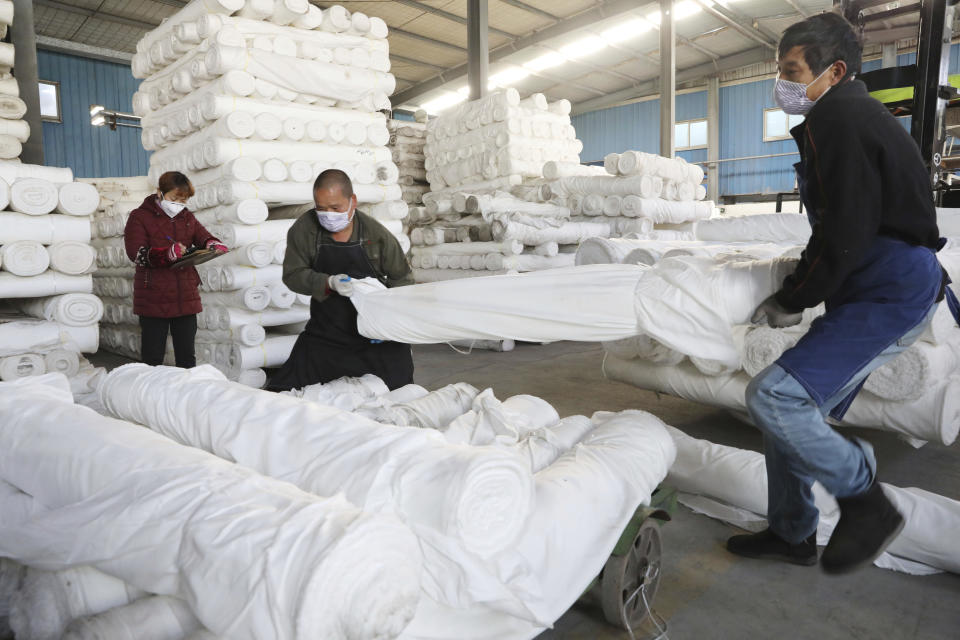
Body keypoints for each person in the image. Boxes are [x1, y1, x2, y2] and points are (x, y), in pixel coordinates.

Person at [726, 13, 959, 573]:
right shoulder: (841, 116)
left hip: (890, 290)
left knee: (773, 396)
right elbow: (840, 226)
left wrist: (791, 298)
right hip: (874, 283)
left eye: (790, 71)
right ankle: (792, 532)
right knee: (794, 409)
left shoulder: (841, 121)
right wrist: (805, 287)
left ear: (833, 71)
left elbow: (844, 233)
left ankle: (866, 502)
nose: (781, 83)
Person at [266, 169, 415, 391]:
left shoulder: (375, 235)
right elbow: (292, 275)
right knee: (287, 392)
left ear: (352, 201)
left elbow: (402, 280)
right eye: (321, 209)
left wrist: (386, 323)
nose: (328, 215)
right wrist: (327, 283)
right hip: (328, 334)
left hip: (373, 335)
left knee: (399, 391)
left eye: (335, 208)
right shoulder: (304, 230)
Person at [124, 171, 228, 368]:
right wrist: (167, 253)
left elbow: (202, 236)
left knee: (187, 357)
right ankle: (149, 396)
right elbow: (135, 253)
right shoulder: (139, 217)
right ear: (160, 193)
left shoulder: (187, 217)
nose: (179, 205)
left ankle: (186, 396)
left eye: (184, 200)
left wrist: (212, 243)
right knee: (153, 358)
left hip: (185, 295)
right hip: (154, 295)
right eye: (174, 198)